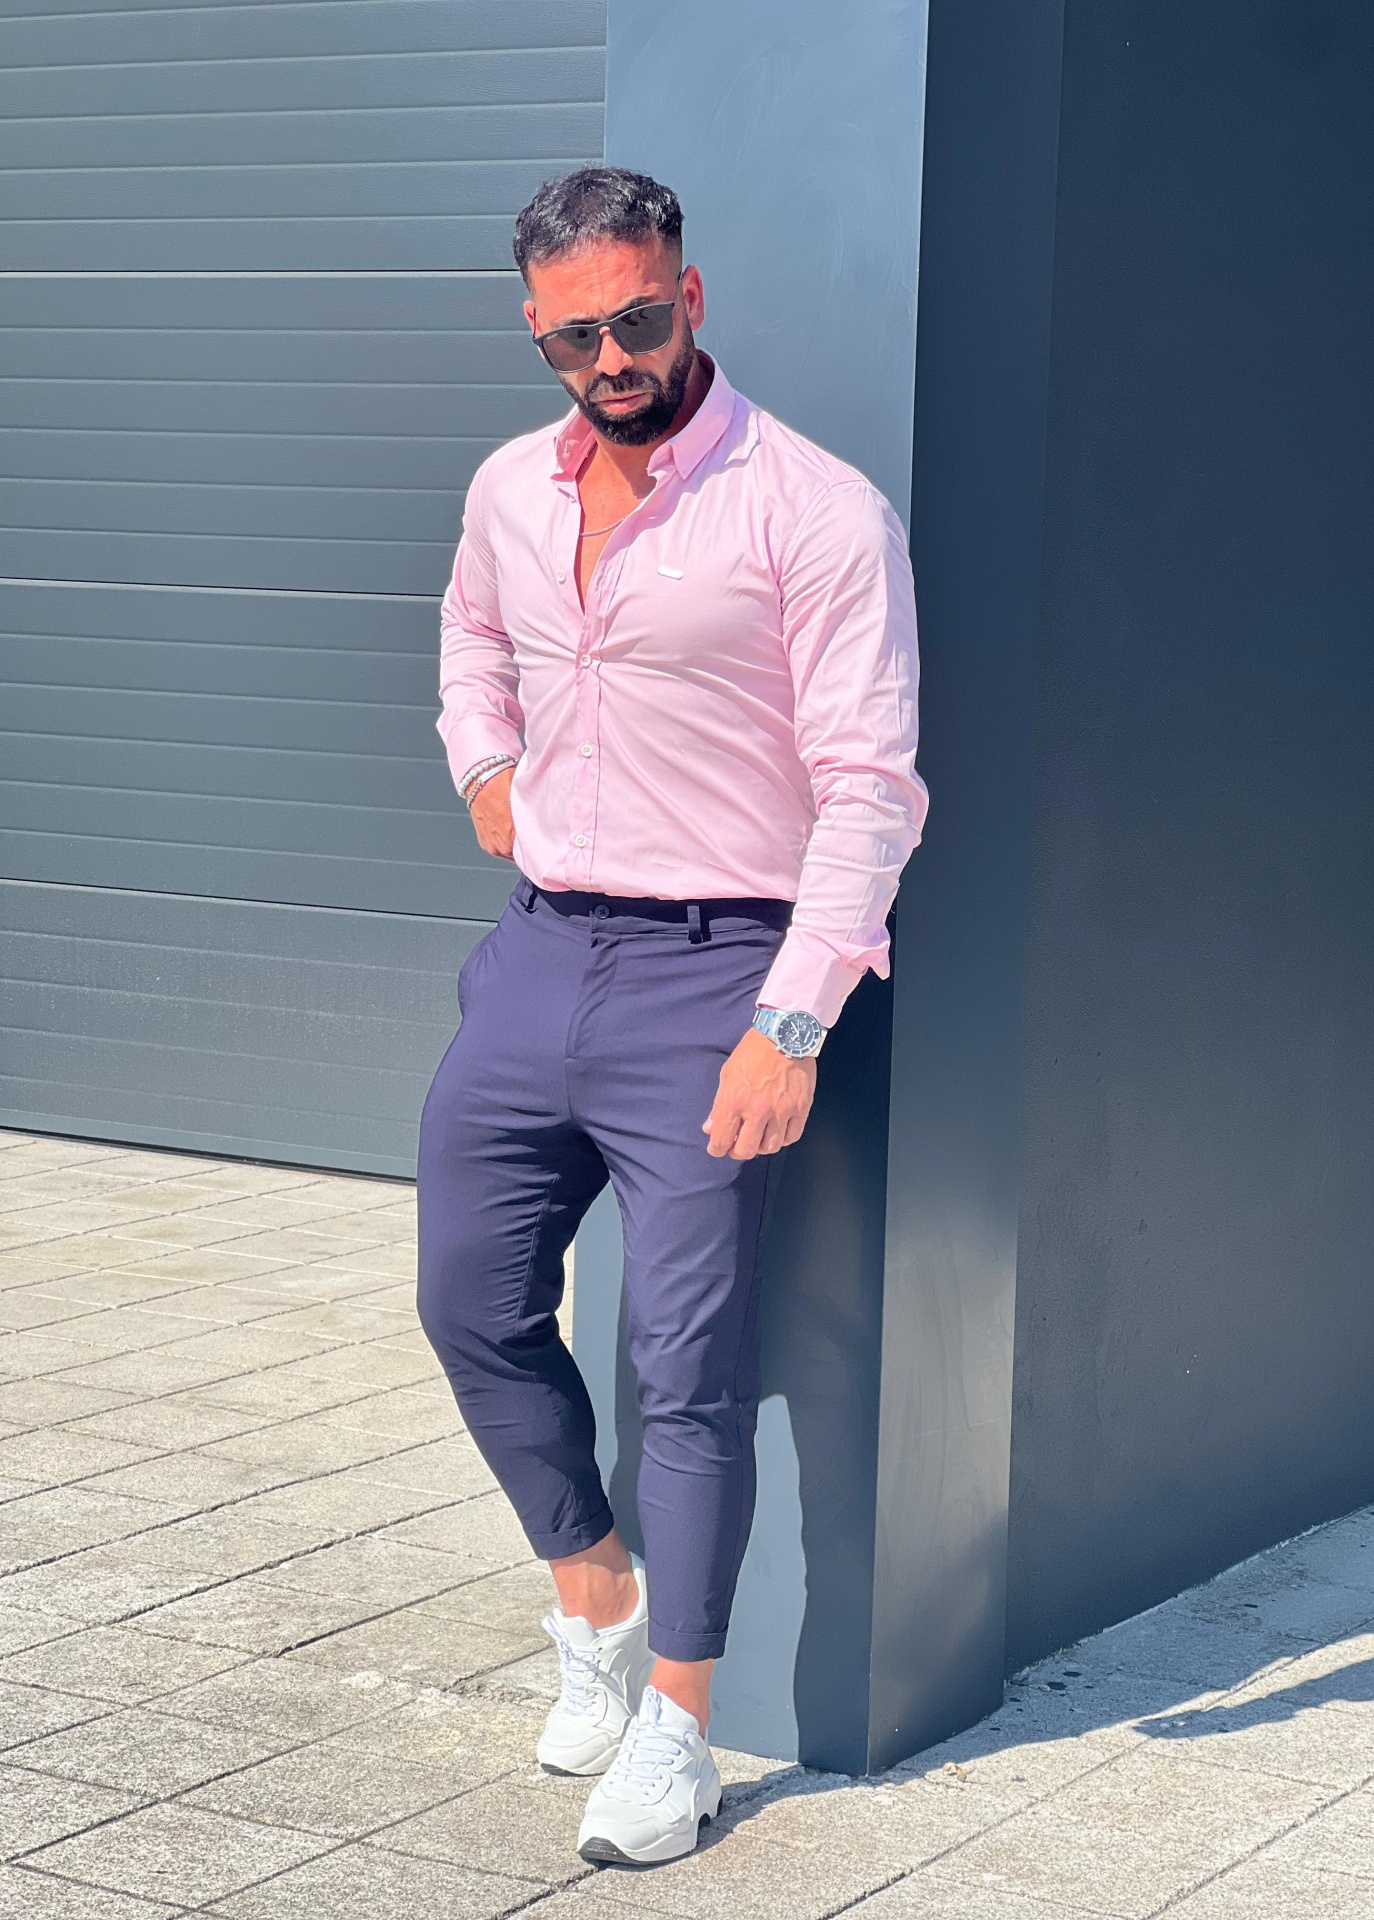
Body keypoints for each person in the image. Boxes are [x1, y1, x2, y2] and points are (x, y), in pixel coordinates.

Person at [416, 166, 926, 1866]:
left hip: (720, 970)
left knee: (687, 1371)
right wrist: (484, 764)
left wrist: (794, 1021)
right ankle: (595, 1596)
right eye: (575, 336)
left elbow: (871, 789)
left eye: (639, 319)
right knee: (469, 1301)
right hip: (539, 950)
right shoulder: (510, 487)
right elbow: (469, 635)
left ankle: (681, 1734)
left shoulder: (815, 511)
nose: (612, 357)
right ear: (535, 329)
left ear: (690, 297)